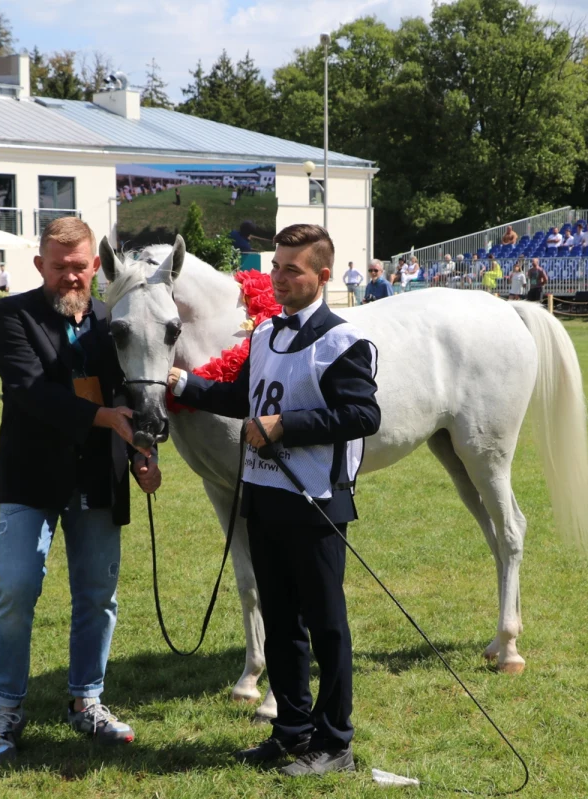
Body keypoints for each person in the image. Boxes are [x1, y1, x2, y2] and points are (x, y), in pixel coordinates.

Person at [167, 223, 379, 777]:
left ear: (323, 276)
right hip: (263, 497)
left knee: (326, 625)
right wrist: (185, 384)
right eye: (275, 268)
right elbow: (245, 397)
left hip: (314, 502)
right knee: (281, 622)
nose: (279, 279)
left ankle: (335, 743)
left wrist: (284, 425)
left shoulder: (344, 341)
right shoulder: (264, 335)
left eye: (293, 270)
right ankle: (291, 729)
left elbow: (362, 415)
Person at [0, 216, 162, 766]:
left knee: (97, 598)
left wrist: (141, 458)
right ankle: (4, 708)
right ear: (40, 266)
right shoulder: (10, 315)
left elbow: (133, 392)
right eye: (59, 267)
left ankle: (88, 700)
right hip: (30, 478)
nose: (71, 277)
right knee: (15, 589)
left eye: (81, 267)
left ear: (95, 266)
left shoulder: (113, 319)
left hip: (98, 479)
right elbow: (30, 392)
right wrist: (105, 416)